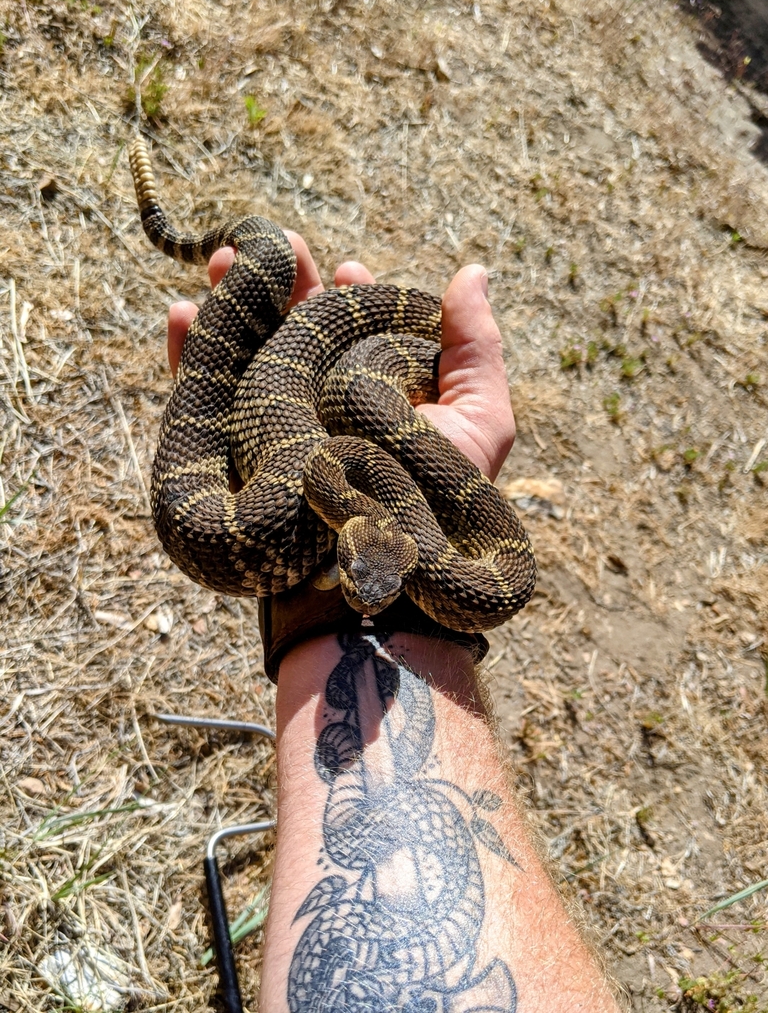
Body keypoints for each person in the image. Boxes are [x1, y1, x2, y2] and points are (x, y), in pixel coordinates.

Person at [167, 236, 623, 1013]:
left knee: (282, 294)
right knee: (274, 277)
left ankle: (258, 267)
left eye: (367, 585)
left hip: (359, 448)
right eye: (357, 584)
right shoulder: (345, 482)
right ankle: (235, 249)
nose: (366, 598)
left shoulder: (450, 545)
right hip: (334, 453)